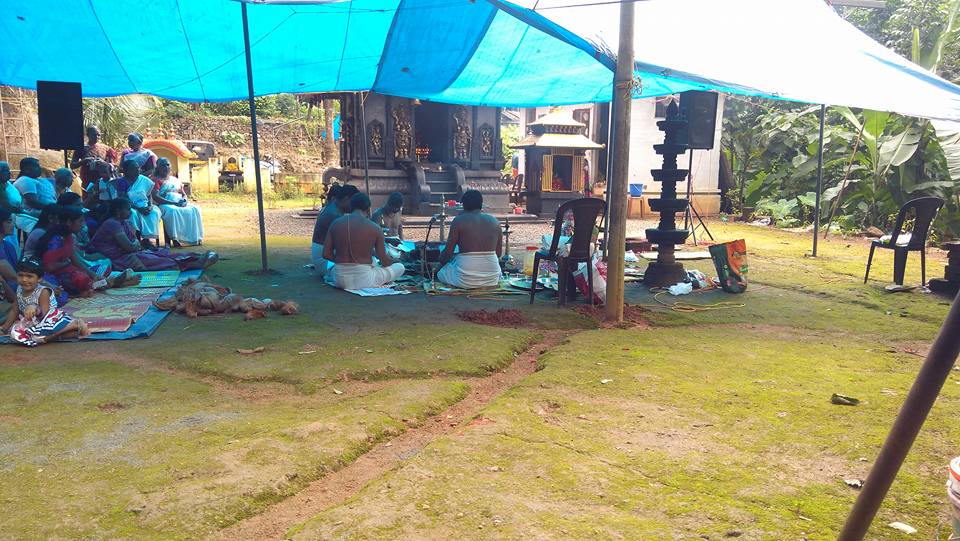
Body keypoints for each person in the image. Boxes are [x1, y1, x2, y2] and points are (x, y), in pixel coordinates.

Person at [89, 198, 217, 272]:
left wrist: (135, 244)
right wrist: (135, 244)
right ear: (118, 211)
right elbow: (131, 246)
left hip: (126, 254)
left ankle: (194, 258)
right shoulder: (112, 224)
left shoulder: (125, 222)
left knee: (158, 253)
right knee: (153, 259)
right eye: (127, 209)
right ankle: (192, 264)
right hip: (113, 259)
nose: (130, 211)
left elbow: (134, 244)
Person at [1, 258, 90, 347]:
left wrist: (34, 308)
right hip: (33, 322)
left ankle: (74, 324)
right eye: (21, 275)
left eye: (29, 276)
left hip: (49, 319)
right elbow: (14, 311)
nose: (24, 279)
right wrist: (4, 328)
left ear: (39, 279)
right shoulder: (19, 289)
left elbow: (44, 313)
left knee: (35, 336)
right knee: (18, 334)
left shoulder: (43, 292)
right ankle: (72, 333)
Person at [324, 192, 404, 289]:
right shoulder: (374, 228)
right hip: (364, 280)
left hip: (339, 280)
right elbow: (384, 262)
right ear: (368, 208)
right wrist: (394, 261)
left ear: (351, 206)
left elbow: (326, 254)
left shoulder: (336, 223)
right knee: (400, 267)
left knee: (373, 263)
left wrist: (343, 263)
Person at [436, 189, 503, 289]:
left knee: (441, 273)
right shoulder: (494, 221)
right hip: (492, 278)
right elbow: (498, 253)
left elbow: (448, 253)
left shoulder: (459, 221)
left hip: (465, 279)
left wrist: (440, 263)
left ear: (463, 205)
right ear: (481, 204)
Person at [152, 158, 203, 246]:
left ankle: (195, 238)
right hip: (164, 204)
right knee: (172, 211)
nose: (166, 167)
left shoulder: (174, 180)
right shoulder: (155, 180)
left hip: (178, 203)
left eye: (168, 165)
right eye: (163, 165)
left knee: (195, 209)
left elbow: (183, 194)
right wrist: (173, 203)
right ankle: (175, 239)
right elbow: (156, 197)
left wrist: (185, 200)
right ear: (158, 167)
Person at [311, 184, 358, 276]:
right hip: (326, 263)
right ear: (346, 199)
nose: (354, 207)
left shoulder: (332, 208)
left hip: (324, 259)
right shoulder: (334, 214)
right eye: (353, 203)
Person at [119, 159, 162, 246]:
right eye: (134, 168)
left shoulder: (144, 180)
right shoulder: (122, 182)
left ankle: (147, 240)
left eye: (138, 168)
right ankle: (135, 239)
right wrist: (139, 208)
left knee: (154, 212)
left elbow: (149, 195)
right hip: (129, 206)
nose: (138, 170)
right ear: (126, 171)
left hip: (145, 205)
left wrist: (150, 206)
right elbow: (123, 200)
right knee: (132, 214)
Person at [0, 209, 17, 301]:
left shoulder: (9, 246)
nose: (12, 225)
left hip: (13, 286)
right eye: (9, 222)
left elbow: (17, 271)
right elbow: (13, 276)